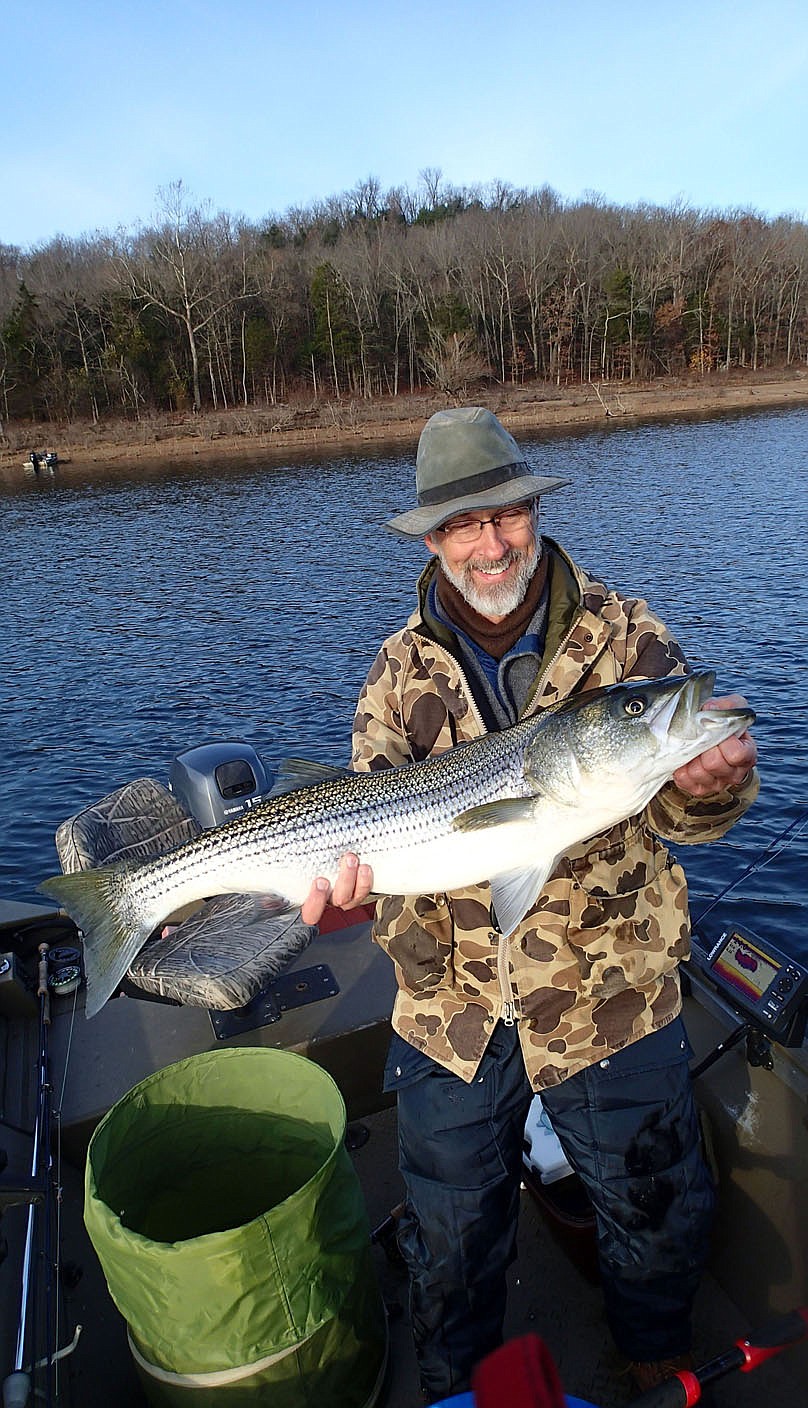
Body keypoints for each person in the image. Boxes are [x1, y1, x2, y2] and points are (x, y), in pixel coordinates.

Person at [301, 407, 759, 1402]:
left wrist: (711, 783)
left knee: (657, 1206)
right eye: (463, 524)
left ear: (535, 513)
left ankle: (654, 1361)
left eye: (506, 514)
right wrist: (338, 897)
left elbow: (685, 816)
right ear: (432, 539)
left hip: (609, 990)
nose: (491, 543)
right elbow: (362, 839)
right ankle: (458, 1388)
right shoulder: (395, 673)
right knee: (450, 1232)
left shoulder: (626, 638)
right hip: (452, 1004)